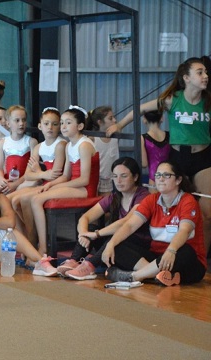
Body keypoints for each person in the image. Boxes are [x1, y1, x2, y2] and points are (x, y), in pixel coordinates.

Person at [107, 57, 210, 257]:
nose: (205, 76)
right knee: (171, 206)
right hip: (178, 157)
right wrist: (119, 125)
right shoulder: (173, 99)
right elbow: (141, 108)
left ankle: (201, 258)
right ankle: (166, 250)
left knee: (207, 214)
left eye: (206, 72)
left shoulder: (208, 101)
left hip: (203, 157)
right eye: (200, 72)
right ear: (186, 78)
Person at [101, 161, 207, 286]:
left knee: (185, 251)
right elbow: (130, 225)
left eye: (166, 175)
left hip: (185, 260)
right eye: (157, 175)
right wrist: (111, 244)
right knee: (118, 246)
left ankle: (134, 276)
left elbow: (184, 230)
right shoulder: (152, 199)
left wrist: (171, 250)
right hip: (158, 258)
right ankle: (157, 275)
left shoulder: (188, 201)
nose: (160, 179)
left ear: (178, 180)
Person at [21, 106, 99, 254]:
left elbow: (84, 179)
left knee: (37, 199)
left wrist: (55, 187)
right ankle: (39, 243)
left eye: (68, 123)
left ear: (80, 126)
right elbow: (65, 176)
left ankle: (43, 247)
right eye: (62, 123)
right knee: (37, 195)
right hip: (75, 186)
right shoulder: (70, 145)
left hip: (85, 190)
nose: (63, 126)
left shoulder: (84, 145)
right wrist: (51, 184)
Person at [58, 157, 150, 280]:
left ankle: (89, 266)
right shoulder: (114, 197)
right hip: (114, 243)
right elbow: (85, 217)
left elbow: (125, 222)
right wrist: (84, 234)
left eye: (123, 176)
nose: (118, 181)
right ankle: (74, 261)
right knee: (90, 228)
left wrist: (96, 234)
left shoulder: (143, 196)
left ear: (135, 177)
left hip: (136, 245)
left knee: (113, 235)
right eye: (115, 176)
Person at [9, 107, 65, 234]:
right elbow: (28, 175)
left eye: (55, 124)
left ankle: (32, 237)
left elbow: (54, 176)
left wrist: (38, 172)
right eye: (46, 124)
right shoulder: (39, 147)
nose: (50, 127)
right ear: (40, 126)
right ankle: (25, 234)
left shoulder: (60, 145)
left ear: (60, 126)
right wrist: (42, 173)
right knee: (8, 200)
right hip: (44, 182)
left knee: (21, 199)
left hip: (54, 185)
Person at [0, 105, 38, 195]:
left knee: (33, 183)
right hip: (8, 179)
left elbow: (32, 170)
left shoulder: (31, 142)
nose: (21, 123)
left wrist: (15, 184)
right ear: (8, 123)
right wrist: (1, 179)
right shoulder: (2, 142)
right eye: (17, 120)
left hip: (25, 180)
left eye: (24, 120)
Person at [89, 106, 119, 196]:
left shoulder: (115, 137)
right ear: (100, 122)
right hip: (95, 179)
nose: (115, 120)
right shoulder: (92, 139)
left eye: (114, 117)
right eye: (110, 118)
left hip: (108, 179)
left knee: (106, 205)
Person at [140, 110, 169, 193]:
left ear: (144, 119)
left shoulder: (143, 138)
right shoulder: (169, 136)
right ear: (162, 118)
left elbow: (144, 163)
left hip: (154, 177)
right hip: (169, 176)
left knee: (155, 204)